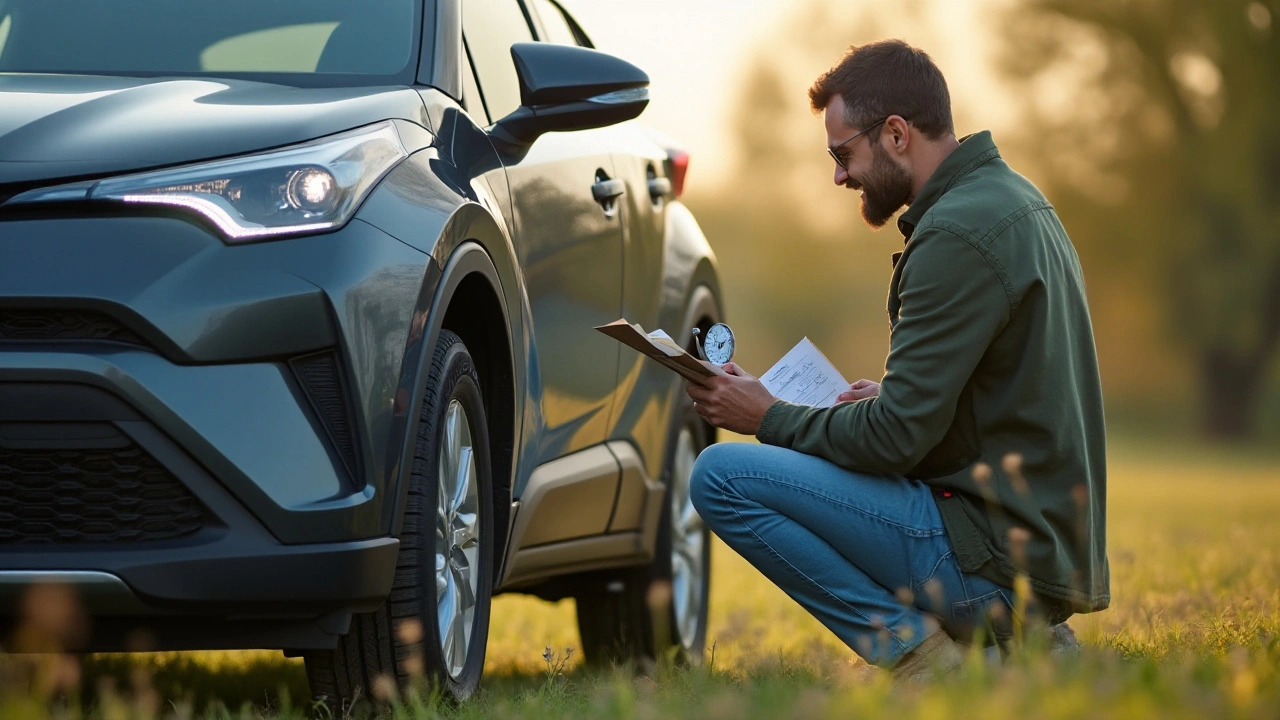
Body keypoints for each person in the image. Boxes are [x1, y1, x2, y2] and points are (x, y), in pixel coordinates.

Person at [685, 39, 1107, 681]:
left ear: (896, 134)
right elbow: (991, 398)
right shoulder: (1016, 202)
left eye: (842, 154)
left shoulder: (955, 237)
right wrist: (887, 399)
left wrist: (768, 416)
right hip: (1030, 552)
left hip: (992, 559)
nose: (839, 176)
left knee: (720, 475)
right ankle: (1023, 640)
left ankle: (920, 657)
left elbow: (895, 441)